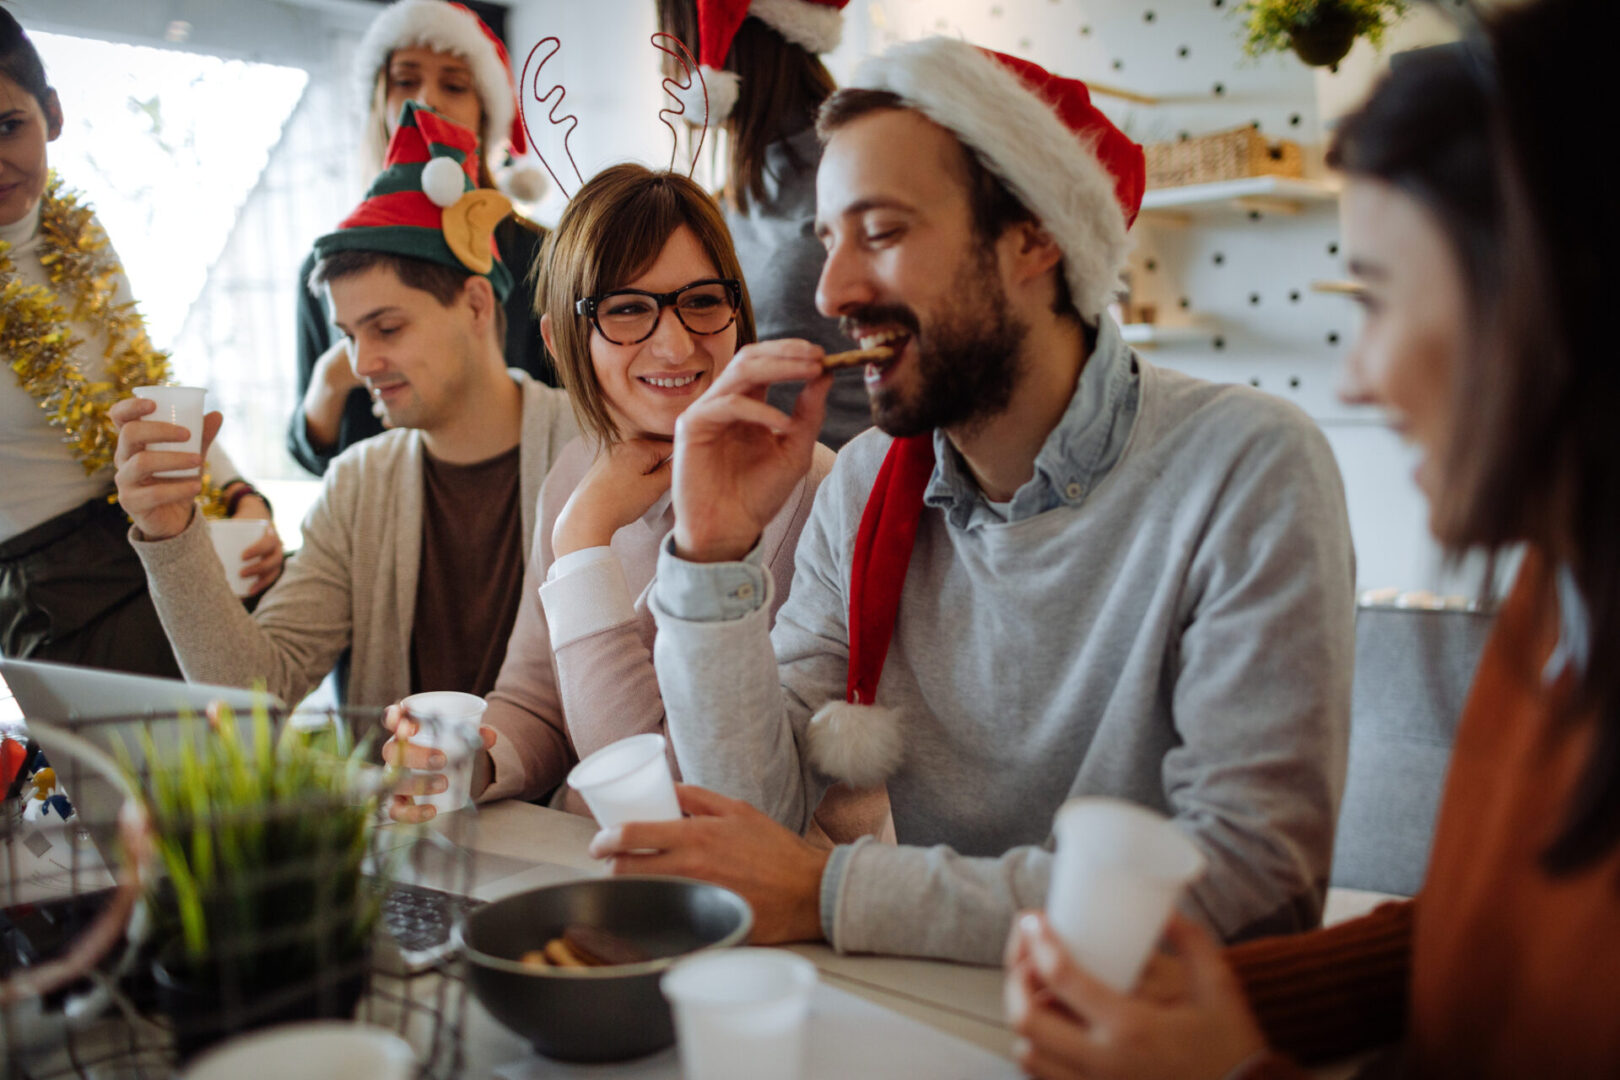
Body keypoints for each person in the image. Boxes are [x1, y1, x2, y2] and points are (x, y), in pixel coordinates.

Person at [589, 38, 1356, 965]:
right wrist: (710, 555)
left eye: (882, 232)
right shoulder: (867, 482)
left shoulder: (1249, 467)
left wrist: (837, 894)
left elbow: (1248, 884)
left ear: (1035, 235)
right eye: (829, 242)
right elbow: (755, 822)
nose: (832, 292)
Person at [1002, 4, 1620, 1076]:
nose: (1357, 377)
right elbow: (1480, 932)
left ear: (1555, 297)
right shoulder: (1557, 596)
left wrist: (1233, 1070)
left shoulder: (1249, 460)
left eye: (1379, 298)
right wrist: (1217, 1000)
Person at [382, 163, 881, 837]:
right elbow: (537, 700)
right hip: (592, 868)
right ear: (561, 341)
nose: (674, 343)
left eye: (703, 301)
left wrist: (583, 541)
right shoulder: (576, 476)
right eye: (625, 310)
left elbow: (666, 798)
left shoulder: (812, 494)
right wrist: (469, 760)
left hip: (753, 892)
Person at [112, 103, 575, 710]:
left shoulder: (591, 445)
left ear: (475, 305)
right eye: (350, 335)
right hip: (400, 810)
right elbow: (257, 693)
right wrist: (171, 533)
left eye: (386, 327)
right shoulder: (358, 484)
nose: (359, 364)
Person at [1, 11, 280, 678]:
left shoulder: (80, 236)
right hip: (52, 588)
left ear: (54, 115)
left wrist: (238, 492)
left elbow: (143, 387)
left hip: (155, 535)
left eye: (7, 126)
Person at [289, 0, 555, 477]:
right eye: (405, 80)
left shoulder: (545, 256)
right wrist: (330, 381)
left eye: (454, 84)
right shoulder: (326, 266)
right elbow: (315, 457)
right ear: (378, 102)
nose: (427, 99)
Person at [658, 0, 871, 450]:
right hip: (757, 492)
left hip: (849, 490)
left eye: (673, 39)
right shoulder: (729, 199)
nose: (668, 71)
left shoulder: (856, 170)